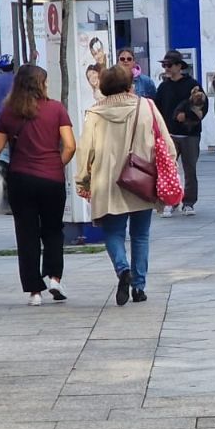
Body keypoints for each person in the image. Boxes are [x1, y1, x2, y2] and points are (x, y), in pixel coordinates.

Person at [75, 64, 175, 307]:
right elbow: (166, 142)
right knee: (140, 235)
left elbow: (85, 149)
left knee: (113, 233)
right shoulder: (147, 107)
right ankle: (139, 287)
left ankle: (122, 270)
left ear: (104, 86)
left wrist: (82, 179)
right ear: (131, 84)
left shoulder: (95, 113)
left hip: (106, 181)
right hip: (141, 178)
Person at [0, 64, 75, 306]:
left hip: (21, 179)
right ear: (41, 84)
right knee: (53, 230)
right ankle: (55, 278)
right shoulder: (56, 109)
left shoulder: (8, 113)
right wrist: (55, 164)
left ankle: (34, 291)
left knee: (26, 234)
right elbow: (70, 145)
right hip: (51, 178)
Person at [154, 50, 202, 216]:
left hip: (190, 134)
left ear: (179, 66)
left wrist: (187, 116)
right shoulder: (163, 87)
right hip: (169, 134)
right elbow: (156, 109)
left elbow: (201, 105)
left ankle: (188, 202)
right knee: (168, 170)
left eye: (169, 65)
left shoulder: (192, 85)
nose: (166, 68)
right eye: (164, 65)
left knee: (190, 170)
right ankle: (170, 201)